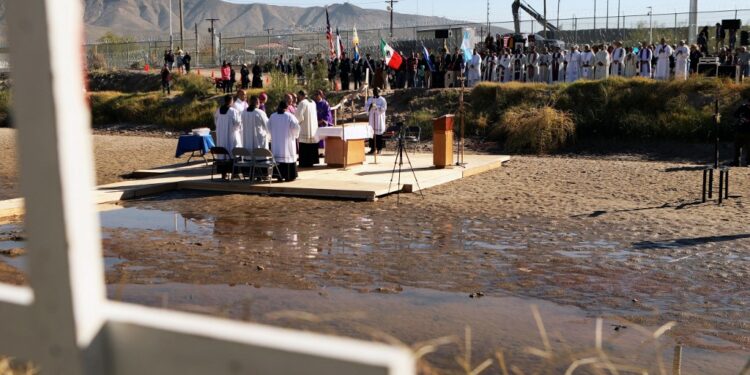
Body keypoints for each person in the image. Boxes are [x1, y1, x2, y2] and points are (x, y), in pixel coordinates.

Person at [268, 100, 301, 182]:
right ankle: (289, 176)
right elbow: (296, 128)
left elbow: (268, 127)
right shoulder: (290, 116)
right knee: (288, 157)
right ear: (287, 108)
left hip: (276, 143)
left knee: (278, 159)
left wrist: (273, 134)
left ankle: (279, 176)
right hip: (287, 143)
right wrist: (295, 135)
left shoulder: (272, 116)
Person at [295, 90, 320, 168]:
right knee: (311, 145)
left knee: (304, 145)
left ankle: (304, 162)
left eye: (298, 96)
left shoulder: (302, 103)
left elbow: (299, 117)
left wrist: (296, 122)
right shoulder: (312, 102)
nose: (298, 98)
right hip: (313, 129)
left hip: (305, 128)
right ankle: (311, 161)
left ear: (301, 95)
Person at [214, 94, 242, 161]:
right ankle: (233, 166)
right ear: (231, 101)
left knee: (222, 150)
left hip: (221, 135)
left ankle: (222, 166)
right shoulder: (233, 111)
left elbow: (216, 122)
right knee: (232, 149)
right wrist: (236, 129)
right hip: (231, 135)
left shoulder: (218, 110)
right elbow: (238, 123)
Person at [366, 87, 387, 155]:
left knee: (379, 135)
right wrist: (370, 106)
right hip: (372, 118)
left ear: (379, 91)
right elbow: (366, 108)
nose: (375, 92)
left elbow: (384, 109)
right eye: (374, 91)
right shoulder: (370, 99)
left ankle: (379, 148)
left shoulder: (382, 100)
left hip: (379, 119)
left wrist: (377, 107)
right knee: (372, 134)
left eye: (376, 91)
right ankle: (372, 148)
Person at [733, 100, 750, 166]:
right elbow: (735, 115)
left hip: (749, 132)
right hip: (739, 130)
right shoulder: (742, 107)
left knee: (749, 149)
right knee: (737, 147)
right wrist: (742, 118)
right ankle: (736, 162)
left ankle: (748, 163)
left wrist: (748, 120)